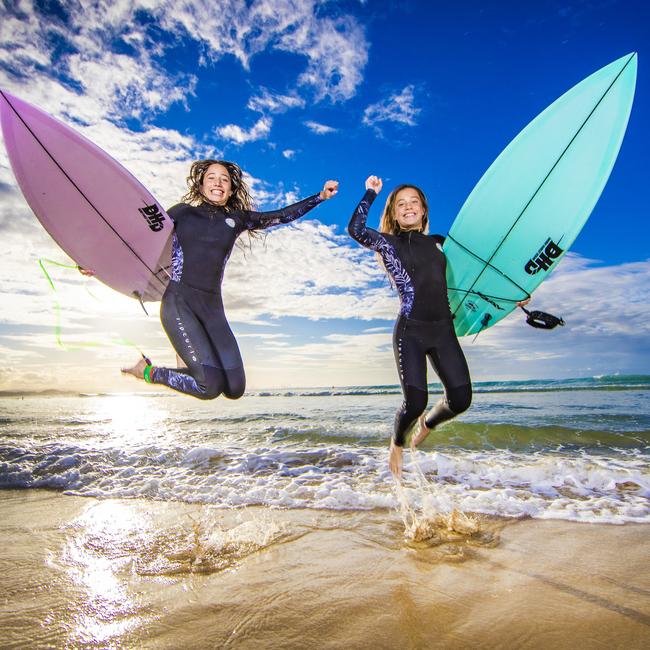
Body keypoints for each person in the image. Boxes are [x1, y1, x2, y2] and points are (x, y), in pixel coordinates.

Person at [121, 159, 338, 399]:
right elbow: (143, 238)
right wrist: (96, 261)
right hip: (180, 302)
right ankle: (148, 372)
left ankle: (192, 365)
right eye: (211, 177)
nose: (218, 182)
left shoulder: (237, 219)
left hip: (213, 309)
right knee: (209, 388)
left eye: (224, 179)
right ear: (201, 185)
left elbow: (280, 216)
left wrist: (320, 196)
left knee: (235, 388)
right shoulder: (183, 212)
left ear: (231, 189)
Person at [348, 175, 471, 478]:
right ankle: (397, 443)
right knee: (415, 402)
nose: (408, 207)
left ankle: (428, 425)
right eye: (401, 204)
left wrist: (514, 298)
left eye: (413, 201)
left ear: (424, 209)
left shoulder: (442, 244)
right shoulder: (388, 243)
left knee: (461, 399)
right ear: (393, 213)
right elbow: (356, 230)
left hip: (443, 329)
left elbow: (476, 273)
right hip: (410, 332)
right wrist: (370, 193)